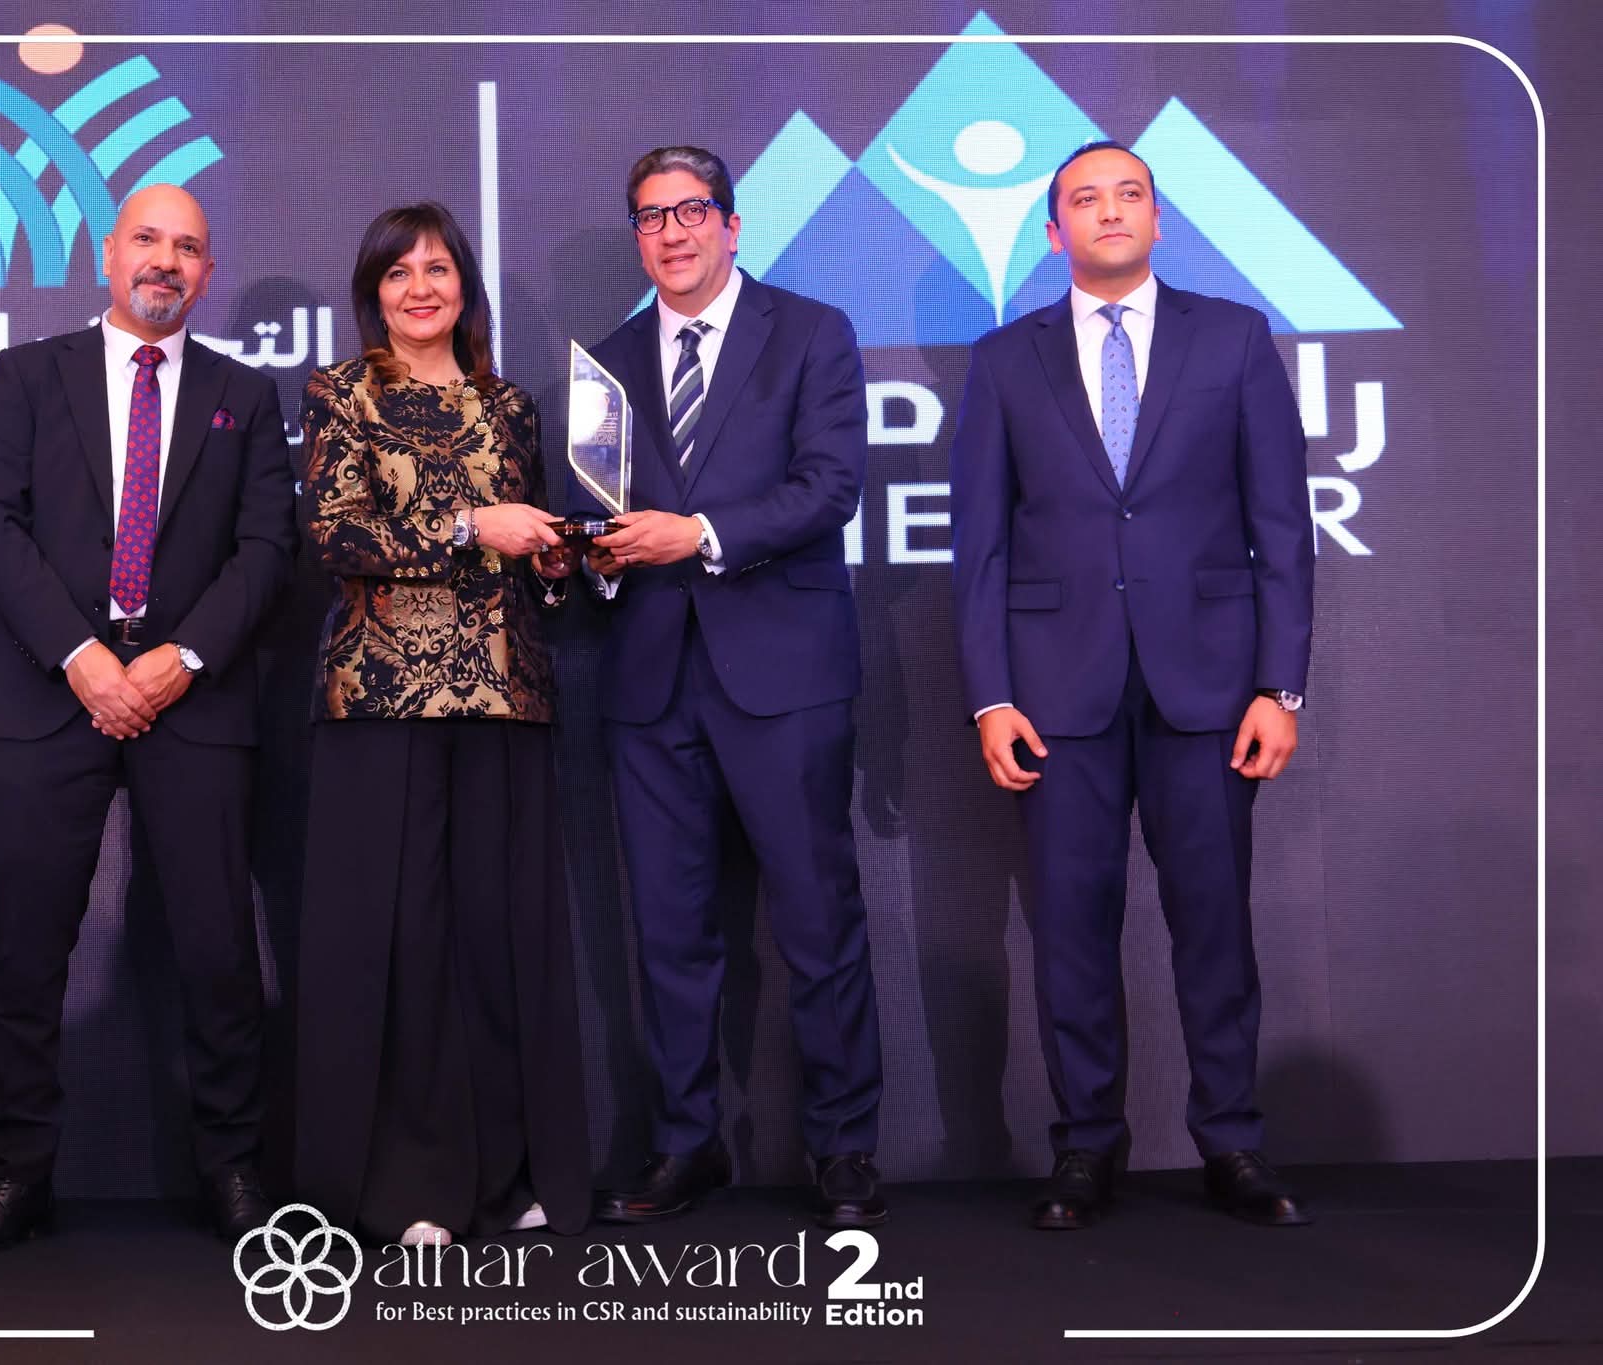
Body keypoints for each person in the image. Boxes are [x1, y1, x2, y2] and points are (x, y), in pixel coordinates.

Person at [949, 141, 1316, 1230]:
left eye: (1129, 194)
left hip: (1210, 689)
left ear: (1157, 220)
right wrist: (990, 696)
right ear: (1053, 231)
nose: (1108, 210)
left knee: (1214, 927)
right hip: (1054, 693)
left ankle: (1232, 1143)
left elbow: (1281, 528)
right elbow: (979, 546)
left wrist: (1280, 687)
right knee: (1070, 928)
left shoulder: (1232, 338)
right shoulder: (1004, 359)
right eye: (1084, 198)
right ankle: (1085, 1148)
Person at [0, 184, 295, 1256]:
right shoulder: (30, 374)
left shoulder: (244, 394)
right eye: (148, 238)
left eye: (188, 247)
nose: (165, 261)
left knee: (218, 949)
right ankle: (16, 1174)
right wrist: (82, 655)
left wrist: (179, 660)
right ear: (109, 252)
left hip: (195, 701)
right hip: (47, 692)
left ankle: (232, 1167)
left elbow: (266, 549)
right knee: (26, 947)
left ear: (208, 272)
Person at [576, 146, 887, 1231]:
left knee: (818, 920)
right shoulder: (604, 363)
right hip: (648, 685)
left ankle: (843, 1147)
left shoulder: (811, 332)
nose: (671, 233)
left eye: (691, 211)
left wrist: (699, 533)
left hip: (784, 675)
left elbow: (830, 486)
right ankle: (684, 1143)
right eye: (650, 216)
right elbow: (596, 510)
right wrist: (592, 557)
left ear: (732, 224)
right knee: (668, 934)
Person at [292, 202, 592, 1248]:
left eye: (438, 269)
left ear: (465, 285)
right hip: (382, 703)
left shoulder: (510, 405)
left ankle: (507, 1178)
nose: (420, 289)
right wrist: (471, 525)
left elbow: (532, 559)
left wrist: (555, 560)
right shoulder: (340, 393)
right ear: (373, 292)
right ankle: (410, 1188)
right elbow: (335, 535)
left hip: (506, 699)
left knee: (501, 944)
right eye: (398, 272)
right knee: (404, 944)